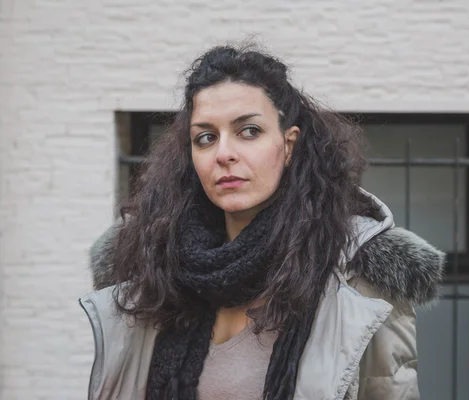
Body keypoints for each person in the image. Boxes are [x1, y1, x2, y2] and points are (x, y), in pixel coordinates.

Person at [81, 45, 445, 400]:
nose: (224, 154)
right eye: (206, 138)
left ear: (288, 145)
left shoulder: (354, 279)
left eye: (249, 131)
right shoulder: (151, 268)